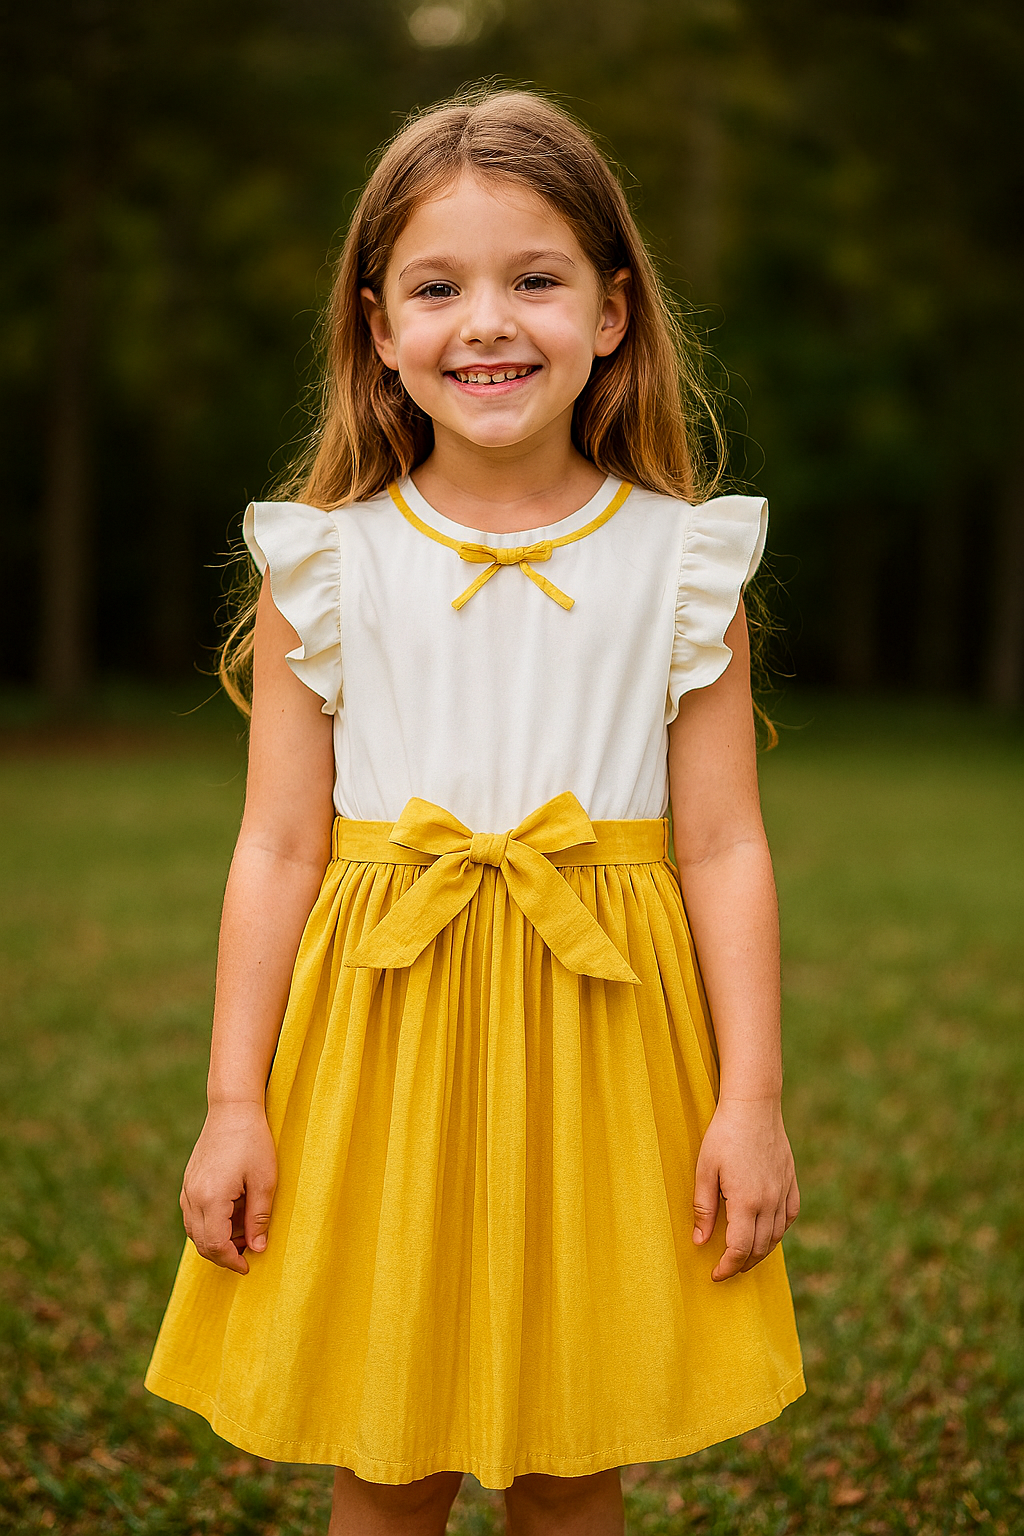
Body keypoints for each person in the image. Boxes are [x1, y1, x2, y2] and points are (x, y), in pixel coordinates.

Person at [145, 87, 804, 1535]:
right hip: (381, 1031)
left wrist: (748, 1100)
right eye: (438, 287)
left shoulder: (685, 564)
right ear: (379, 329)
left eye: (536, 279)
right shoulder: (326, 564)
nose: (487, 321)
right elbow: (278, 845)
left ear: (612, 312)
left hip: (607, 1026)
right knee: (389, 1447)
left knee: (577, 1443)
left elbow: (723, 844)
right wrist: (233, 1103)